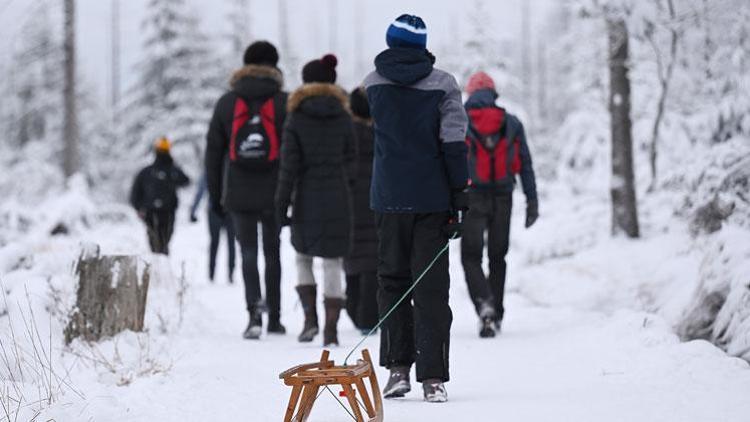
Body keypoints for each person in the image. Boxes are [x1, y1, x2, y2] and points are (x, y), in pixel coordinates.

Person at [362, 14, 468, 403]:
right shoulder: (444, 85)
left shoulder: (371, 84)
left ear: (390, 42)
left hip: (388, 199)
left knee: (392, 283)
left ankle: (396, 371)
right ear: (423, 46)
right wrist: (461, 195)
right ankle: (433, 378)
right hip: (432, 200)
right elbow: (454, 142)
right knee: (432, 288)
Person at [205, 41, 288, 339]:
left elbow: (213, 154)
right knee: (273, 253)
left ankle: (254, 315)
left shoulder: (227, 102)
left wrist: (215, 197)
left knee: (248, 253)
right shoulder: (283, 102)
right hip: (274, 191)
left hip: (239, 193)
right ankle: (275, 318)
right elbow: (293, 154)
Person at [275, 54, 355, 347]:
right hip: (337, 194)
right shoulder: (343, 116)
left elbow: (288, 166)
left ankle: (309, 320)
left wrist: (281, 204)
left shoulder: (296, 117)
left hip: (305, 195)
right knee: (333, 260)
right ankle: (331, 329)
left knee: (303, 256)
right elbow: (351, 157)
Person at [461, 71, 539, 338]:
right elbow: (525, 164)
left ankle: (485, 304)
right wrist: (532, 201)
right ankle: (497, 313)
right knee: (498, 257)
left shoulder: (460, 121)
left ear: (470, 94)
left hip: (472, 197)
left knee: (471, 257)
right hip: (503, 198)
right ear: (493, 94)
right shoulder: (512, 123)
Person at [344, 87, 379, 334]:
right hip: (378, 198)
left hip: (350, 200)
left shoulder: (346, 132)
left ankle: (355, 310)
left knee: (353, 255)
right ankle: (368, 315)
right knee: (374, 258)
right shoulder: (383, 132)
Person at [130, 137, 190, 255]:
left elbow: (135, 194)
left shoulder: (148, 172)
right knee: (160, 242)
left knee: (157, 242)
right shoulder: (169, 171)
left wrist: (139, 208)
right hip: (158, 211)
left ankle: (160, 265)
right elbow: (186, 181)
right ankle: (160, 264)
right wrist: (139, 208)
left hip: (160, 211)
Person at [189, 172, 236, 283]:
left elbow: (200, 191)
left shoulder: (210, 169)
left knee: (215, 243)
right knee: (230, 243)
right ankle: (228, 275)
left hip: (215, 210)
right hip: (229, 210)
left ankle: (212, 274)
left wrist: (193, 211)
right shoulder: (233, 166)